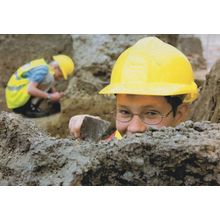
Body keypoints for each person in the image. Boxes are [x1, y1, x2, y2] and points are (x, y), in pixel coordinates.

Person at [69, 37, 198, 140]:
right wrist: (92, 130)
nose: (134, 128)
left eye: (151, 114)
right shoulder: (114, 142)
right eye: (125, 112)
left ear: (180, 114)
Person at [5, 54, 74, 118]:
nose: (60, 78)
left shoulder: (43, 66)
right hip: (18, 101)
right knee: (50, 78)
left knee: (50, 80)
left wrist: (55, 94)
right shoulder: (43, 71)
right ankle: (29, 109)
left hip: (14, 97)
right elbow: (30, 89)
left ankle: (31, 107)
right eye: (61, 75)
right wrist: (50, 96)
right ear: (56, 67)